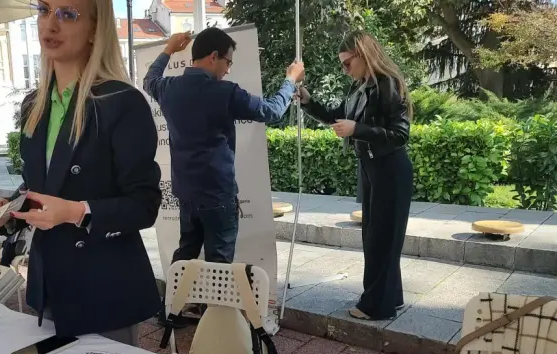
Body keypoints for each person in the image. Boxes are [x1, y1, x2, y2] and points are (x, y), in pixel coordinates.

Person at [0, 0, 161, 346]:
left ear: (94, 29)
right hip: (49, 283)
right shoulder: (34, 104)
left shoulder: (121, 102)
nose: (51, 24)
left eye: (68, 14)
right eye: (44, 10)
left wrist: (77, 212)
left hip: (105, 287)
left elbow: (144, 205)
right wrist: (10, 209)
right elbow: (42, 185)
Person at [143, 28, 304, 266]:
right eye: (228, 62)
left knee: (185, 256)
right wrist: (290, 80)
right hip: (217, 194)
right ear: (213, 56)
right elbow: (271, 111)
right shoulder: (225, 92)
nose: (228, 69)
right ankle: (209, 293)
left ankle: (179, 292)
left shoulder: (169, 88)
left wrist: (169, 49)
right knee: (218, 266)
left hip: (186, 195)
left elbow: (149, 80)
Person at [297, 30, 413, 321]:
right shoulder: (360, 87)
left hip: (390, 169)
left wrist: (357, 129)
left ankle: (376, 306)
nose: (345, 69)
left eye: (347, 63)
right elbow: (335, 117)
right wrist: (308, 101)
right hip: (372, 168)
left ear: (364, 55)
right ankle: (391, 298)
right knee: (377, 237)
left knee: (381, 240)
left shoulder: (387, 84)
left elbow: (400, 135)